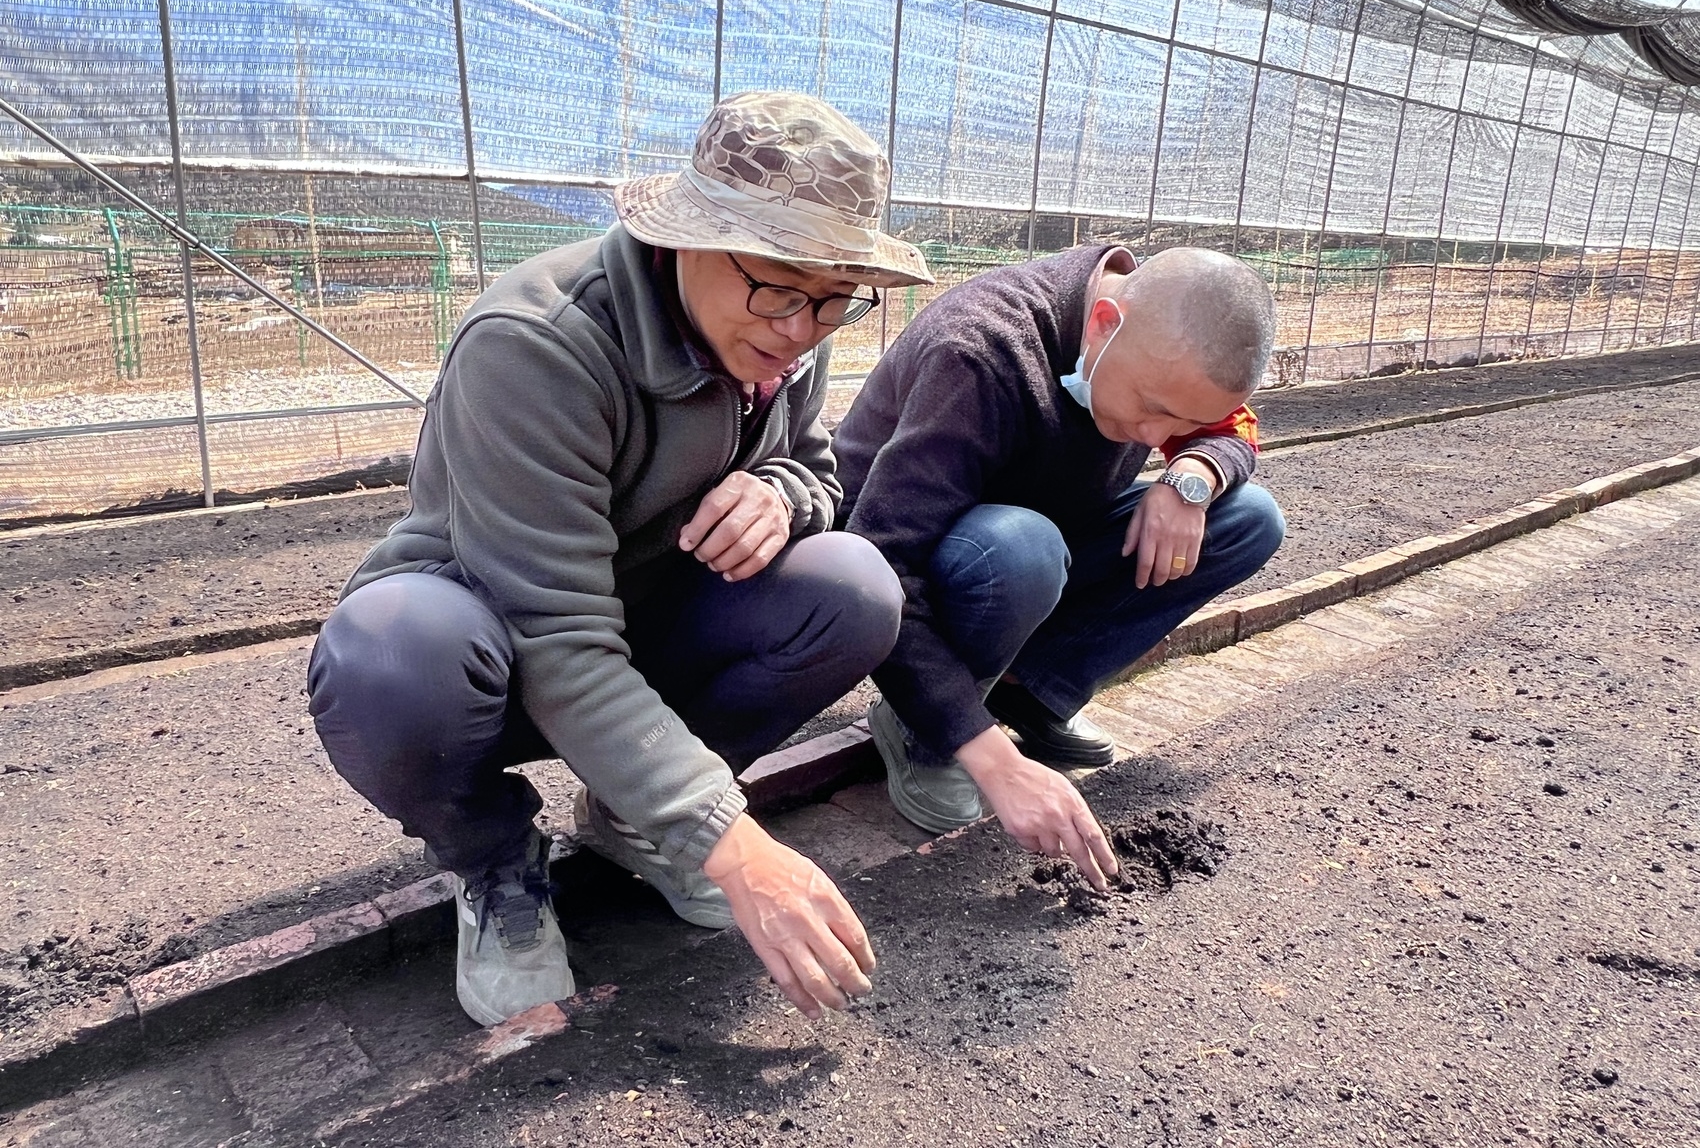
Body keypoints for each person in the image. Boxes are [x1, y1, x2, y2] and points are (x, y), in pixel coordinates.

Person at [308, 92, 933, 1027]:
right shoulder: (538, 345)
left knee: (853, 588)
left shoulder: (781, 332)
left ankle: (638, 816)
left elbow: (819, 468)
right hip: (498, 657)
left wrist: (780, 493)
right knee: (392, 652)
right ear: (688, 237)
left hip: (649, 621)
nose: (803, 329)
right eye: (780, 285)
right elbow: (554, 630)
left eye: (837, 297)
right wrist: (734, 839)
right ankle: (492, 863)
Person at [834, 244, 1285, 886]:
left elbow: (1227, 428)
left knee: (1248, 520)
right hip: (914, 554)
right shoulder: (981, 353)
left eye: (1182, 421)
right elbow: (883, 559)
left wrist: (1194, 474)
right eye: (1153, 409)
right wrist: (986, 756)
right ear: (1102, 323)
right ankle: (924, 729)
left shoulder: (1150, 351)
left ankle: (1027, 690)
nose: (1159, 437)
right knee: (1021, 547)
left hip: (1040, 529)